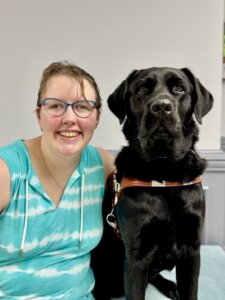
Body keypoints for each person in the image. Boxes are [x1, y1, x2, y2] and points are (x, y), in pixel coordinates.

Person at [0, 61, 115, 299]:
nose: (69, 118)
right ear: (39, 115)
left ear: (97, 118)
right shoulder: (6, 171)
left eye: (83, 107)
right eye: (55, 106)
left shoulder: (101, 165)